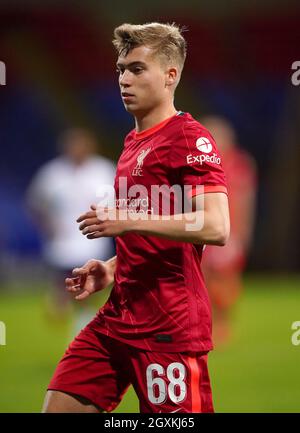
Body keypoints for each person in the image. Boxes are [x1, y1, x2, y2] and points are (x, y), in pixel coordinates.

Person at [43, 22, 230, 413]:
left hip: (169, 326)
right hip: (117, 316)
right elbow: (155, 226)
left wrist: (127, 220)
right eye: (120, 69)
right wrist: (114, 266)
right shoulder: (132, 143)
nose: (124, 79)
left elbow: (215, 226)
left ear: (170, 75)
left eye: (137, 69)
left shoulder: (189, 139)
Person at [27, 128, 116, 329]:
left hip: (93, 242)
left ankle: (80, 323)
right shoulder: (52, 174)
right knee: (67, 289)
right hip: (62, 244)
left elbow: (120, 201)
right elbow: (35, 203)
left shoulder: (104, 170)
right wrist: (48, 226)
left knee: (88, 288)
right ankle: (64, 303)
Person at [200, 116, 257, 346]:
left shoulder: (241, 164)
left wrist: (244, 232)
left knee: (226, 277)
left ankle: (223, 322)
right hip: (204, 226)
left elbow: (247, 199)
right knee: (203, 277)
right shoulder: (200, 162)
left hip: (230, 228)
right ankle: (208, 322)